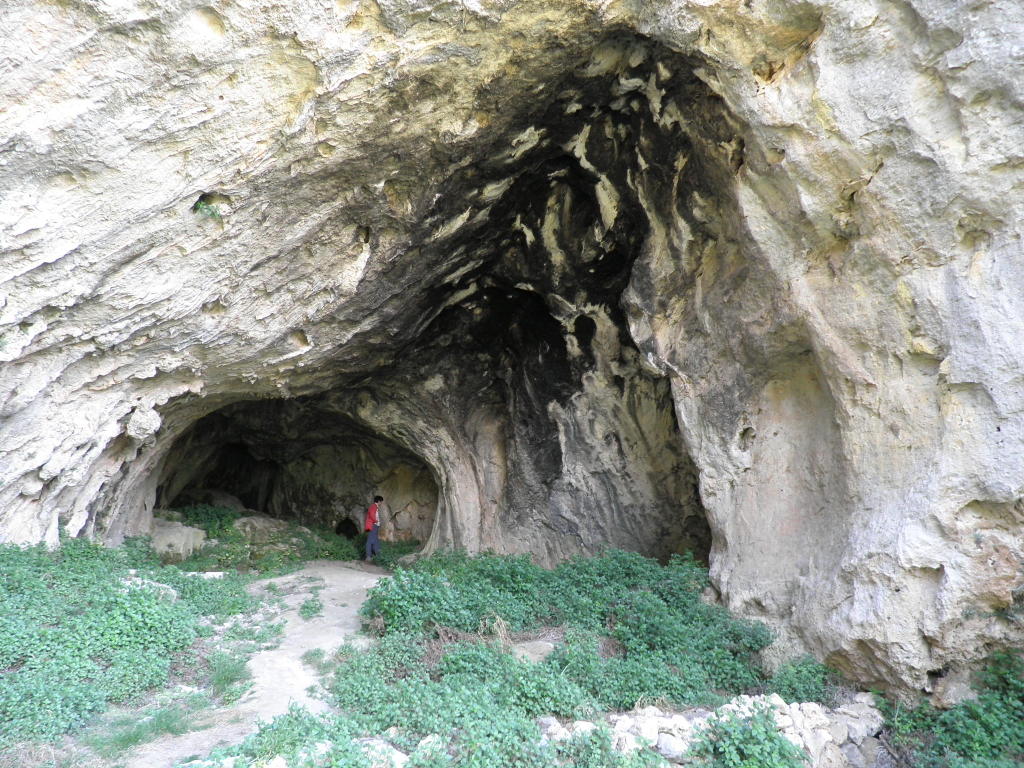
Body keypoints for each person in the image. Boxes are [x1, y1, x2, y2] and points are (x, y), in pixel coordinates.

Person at [364, 495, 383, 561]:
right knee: (370, 541)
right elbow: (372, 515)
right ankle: (368, 556)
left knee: (375, 541)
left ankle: (377, 555)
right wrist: (376, 521)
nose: (381, 503)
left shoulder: (375, 507)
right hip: (373, 525)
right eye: (381, 502)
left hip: (375, 525)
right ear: (379, 501)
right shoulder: (373, 506)